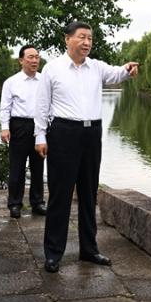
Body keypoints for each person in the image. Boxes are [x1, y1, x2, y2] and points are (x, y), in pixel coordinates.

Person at [34, 21, 138, 273]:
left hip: (92, 133)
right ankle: (53, 253)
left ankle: (89, 249)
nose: (87, 42)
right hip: (63, 132)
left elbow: (115, 74)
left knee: (89, 192)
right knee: (60, 194)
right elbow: (41, 105)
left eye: (90, 38)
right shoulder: (53, 69)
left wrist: (127, 69)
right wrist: (40, 136)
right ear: (67, 39)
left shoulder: (97, 67)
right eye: (81, 37)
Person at [0, 44, 46, 219]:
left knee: (38, 167)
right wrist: (5, 128)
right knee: (17, 167)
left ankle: (38, 202)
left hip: (40, 127)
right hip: (19, 126)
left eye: (37, 57)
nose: (35, 60)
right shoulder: (11, 82)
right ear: (21, 60)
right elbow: (5, 107)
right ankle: (15, 203)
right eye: (30, 57)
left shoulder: (44, 80)